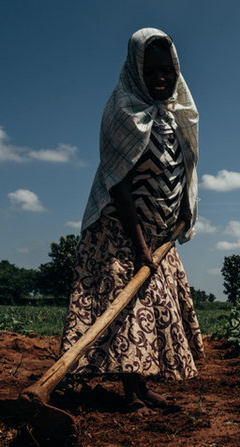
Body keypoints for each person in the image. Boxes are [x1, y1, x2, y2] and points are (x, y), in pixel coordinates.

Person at [60, 28, 204, 413]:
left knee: (152, 307)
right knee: (129, 310)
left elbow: (184, 169)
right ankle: (130, 392)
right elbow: (119, 186)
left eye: (167, 70)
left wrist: (184, 211)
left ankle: (141, 389)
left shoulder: (176, 117)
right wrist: (140, 248)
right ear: (135, 70)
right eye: (151, 70)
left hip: (157, 233)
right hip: (119, 230)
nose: (160, 78)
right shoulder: (122, 112)